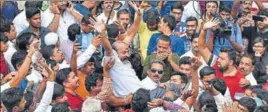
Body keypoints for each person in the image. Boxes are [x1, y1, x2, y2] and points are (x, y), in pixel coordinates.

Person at [198, 18, 245, 100]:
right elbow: (202, 48)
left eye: (222, 59)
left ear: (230, 62)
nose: (218, 60)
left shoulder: (240, 80)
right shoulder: (215, 64)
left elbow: (237, 103)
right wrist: (204, 30)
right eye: (219, 57)